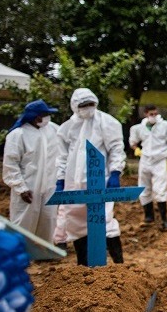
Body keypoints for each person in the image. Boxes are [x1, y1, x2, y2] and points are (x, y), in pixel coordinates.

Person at [55, 88, 127, 265]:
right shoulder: (66, 128)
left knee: (105, 220)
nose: (87, 108)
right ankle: (84, 266)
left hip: (99, 181)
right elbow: (62, 156)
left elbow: (117, 148)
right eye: (83, 105)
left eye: (90, 104)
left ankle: (119, 265)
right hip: (74, 184)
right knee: (76, 223)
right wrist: (60, 179)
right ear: (74, 106)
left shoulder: (107, 122)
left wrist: (115, 172)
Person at [2, 99, 60, 244]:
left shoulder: (53, 129)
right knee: (24, 221)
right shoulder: (18, 134)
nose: (48, 117)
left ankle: (44, 252)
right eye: (45, 114)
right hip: (29, 186)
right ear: (36, 117)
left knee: (48, 220)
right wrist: (20, 188)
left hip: (50, 186)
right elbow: (11, 163)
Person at [129, 104, 167, 231]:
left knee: (160, 189)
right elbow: (133, 142)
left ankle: (164, 219)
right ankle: (149, 216)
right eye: (151, 114)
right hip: (145, 160)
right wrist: (137, 150)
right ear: (145, 114)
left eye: (155, 113)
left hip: (160, 160)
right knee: (143, 188)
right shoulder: (139, 128)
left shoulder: (166, 126)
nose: (154, 116)